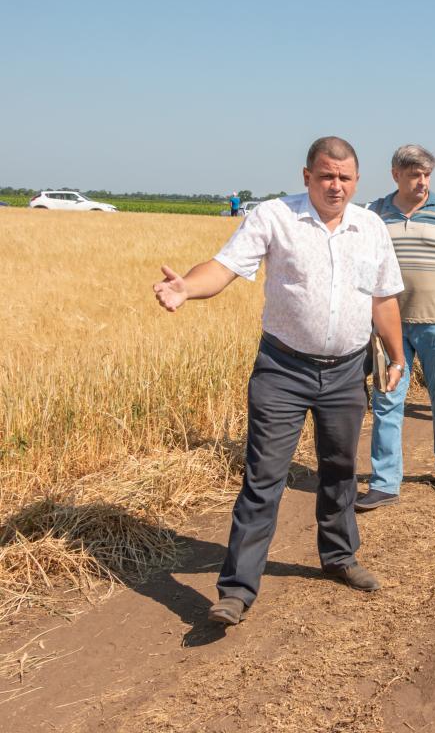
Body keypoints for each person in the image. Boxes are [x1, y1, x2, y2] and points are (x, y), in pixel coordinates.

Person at [152, 137, 406, 626]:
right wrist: (187, 287)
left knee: (338, 468)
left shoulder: (370, 227)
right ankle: (236, 591)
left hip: (347, 371)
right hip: (283, 370)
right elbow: (225, 267)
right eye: (326, 175)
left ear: (357, 180)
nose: (336, 186)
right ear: (306, 175)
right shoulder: (275, 217)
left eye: (345, 177)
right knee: (264, 477)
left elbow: (383, 300)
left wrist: (396, 356)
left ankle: (339, 557)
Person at [355, 145, 435, 506]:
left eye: (426, 175)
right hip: (388, 327)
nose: (422, 182)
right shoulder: (375, 214)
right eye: (414, 175)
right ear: (395, 174)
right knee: (386, 400)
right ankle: (385, 480)